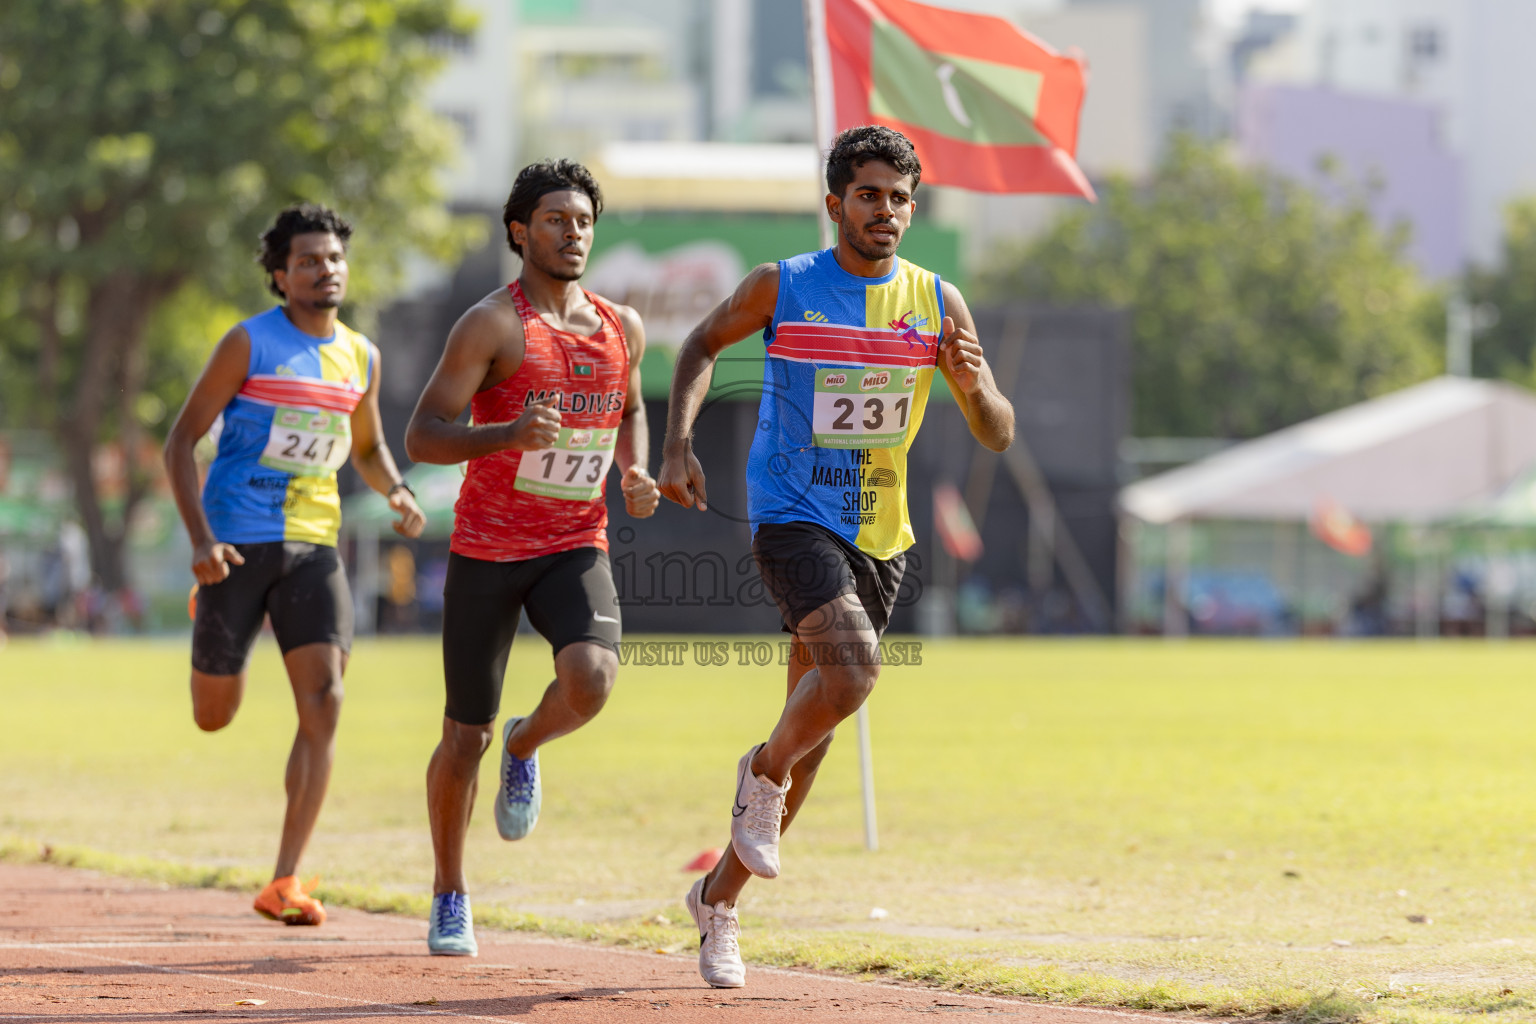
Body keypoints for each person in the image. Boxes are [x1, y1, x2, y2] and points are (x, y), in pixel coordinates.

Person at [658, 126, 1016, 988]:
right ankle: (760, 771)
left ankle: (719, 900)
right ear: (835, 205)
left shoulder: (938, 302)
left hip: (880, 535)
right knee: (852, 676)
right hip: (789, 517)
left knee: (813, 738)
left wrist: (972, 385)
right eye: (867, 195)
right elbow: (699, 345)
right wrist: (676, 444)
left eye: (898, 198)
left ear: (912, 209)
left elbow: (997, 432)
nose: (884, 211)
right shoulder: (782, 286)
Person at [404, 159, 659, 957]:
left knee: (592, 678)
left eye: (582, 220)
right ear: (520, 231)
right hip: (487, 549)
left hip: (572, 542)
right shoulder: (491, 324)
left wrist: (635, 468)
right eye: (555, 219)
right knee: (461, 737)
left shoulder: (623, 326)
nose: (572, 232)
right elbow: (423, 434)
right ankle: (450, 889)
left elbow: (632, 408)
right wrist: (506, 435)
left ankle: (528, 742)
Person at [163, 204, 425, 927]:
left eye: (334, 258)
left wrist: (397, 490)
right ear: (281, 276)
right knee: (213, 716)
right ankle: (212, 619)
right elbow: (180, 442)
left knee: (328, 700)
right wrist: (200, 541)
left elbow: (367, 449)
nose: (325, 269)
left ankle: (285, 879)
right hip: (235, 548)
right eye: (309, 260)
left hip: (315, 546)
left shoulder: (361, 356)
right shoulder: (247, 343)